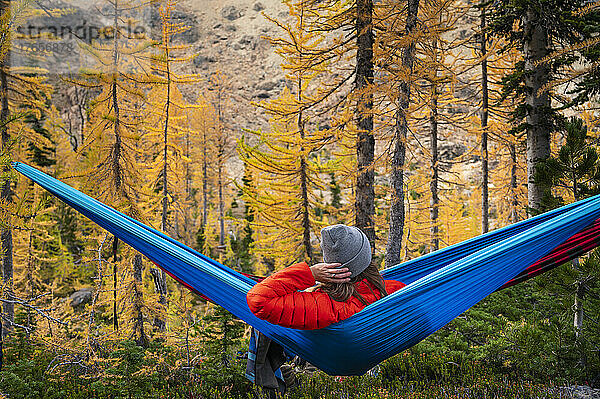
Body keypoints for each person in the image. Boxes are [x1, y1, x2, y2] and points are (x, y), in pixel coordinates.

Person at [246, 224, 407, 330]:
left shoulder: (322, 305)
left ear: (328, 265)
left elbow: (258, 299)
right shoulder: (395, 290)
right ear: (366, 260)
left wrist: (310, 274)